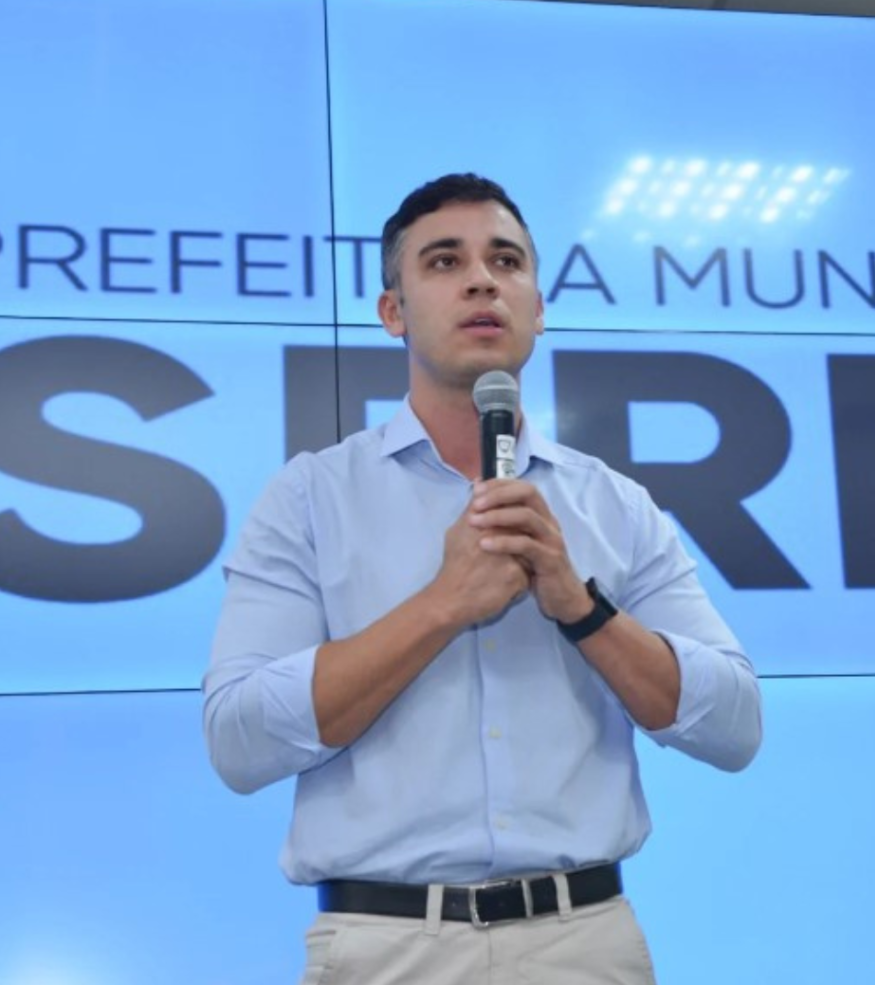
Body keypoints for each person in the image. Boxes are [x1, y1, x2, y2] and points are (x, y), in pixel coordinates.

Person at [203, 173, 762, 984]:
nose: (481, 280)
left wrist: (581, 608)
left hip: (585, 942)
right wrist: (442, 605)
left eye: (506, 261)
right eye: (443, 262)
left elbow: (735, 727)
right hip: (386, 946)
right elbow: (238, 741)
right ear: (392, 312)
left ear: (537, 307)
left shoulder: (614, 503)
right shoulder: (312, 497)